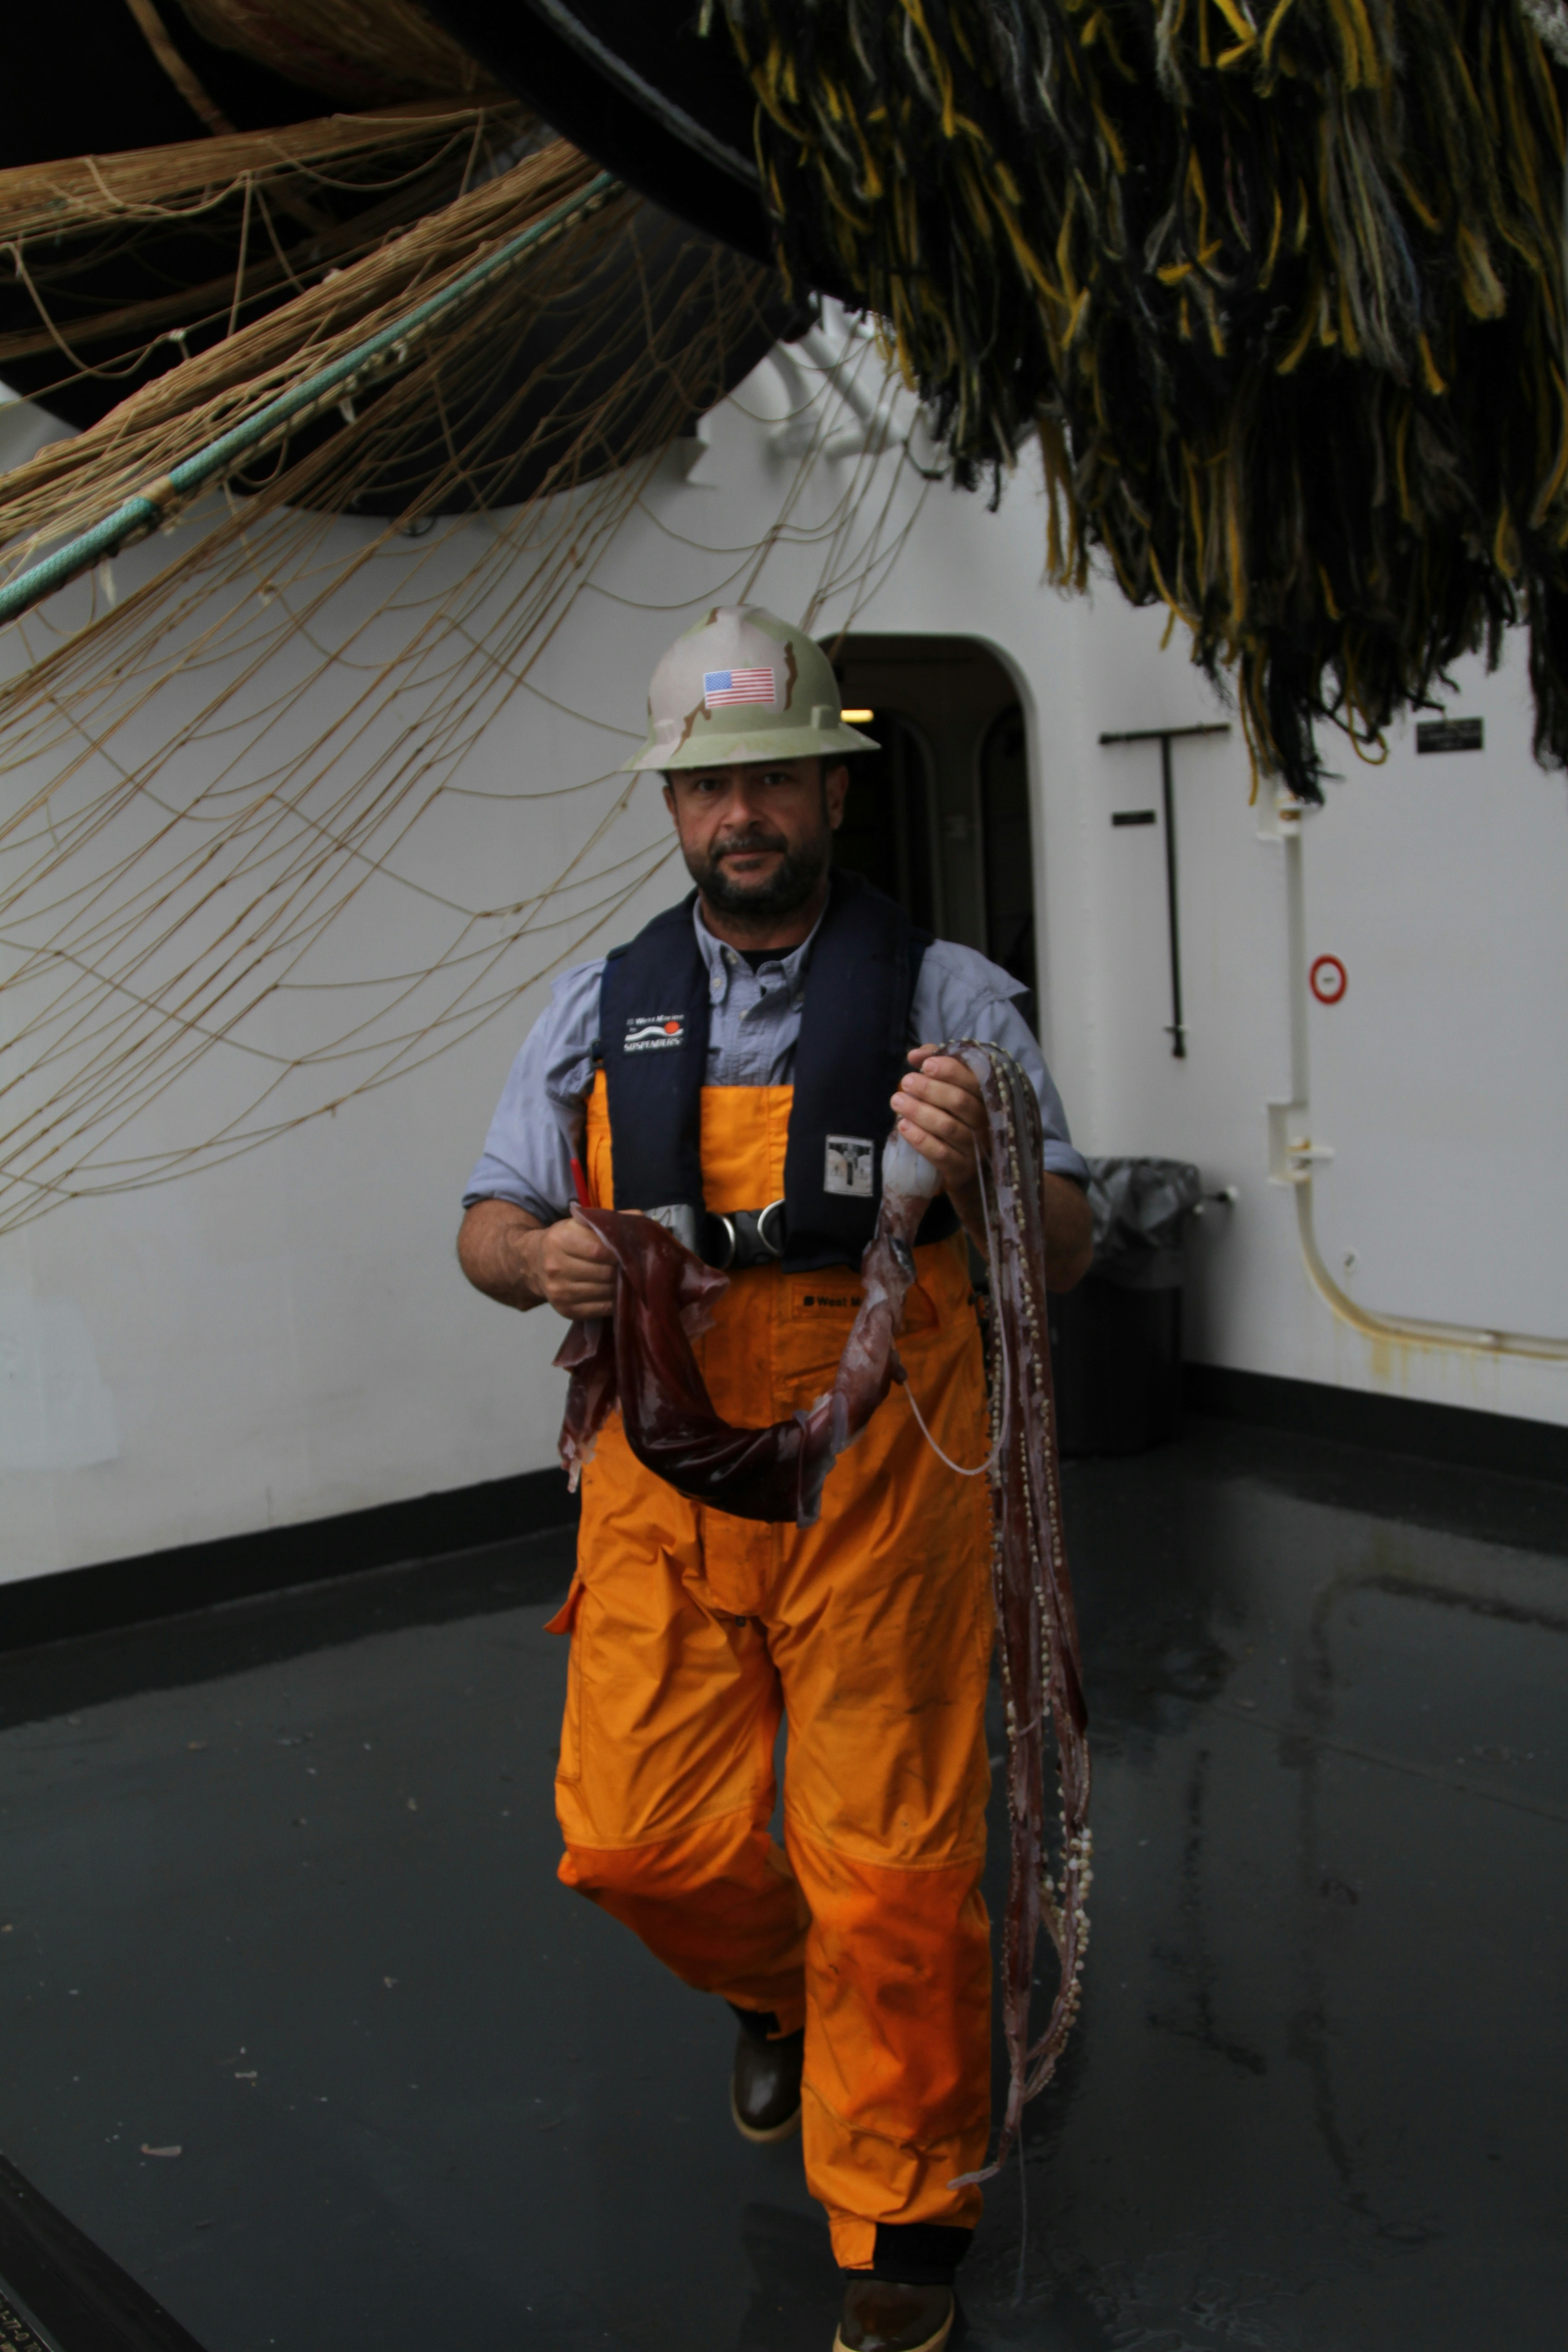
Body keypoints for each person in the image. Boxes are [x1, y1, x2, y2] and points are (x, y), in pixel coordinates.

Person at [458, 606, 1092, 2352]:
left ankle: (899, 2232)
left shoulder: (951, 1002)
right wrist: (535, 1262)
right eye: (708, 787)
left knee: (890, 1867)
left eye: (775, 780)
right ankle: (777, 1989)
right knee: (632, 1843)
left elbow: (1068, 1243)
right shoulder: (594, 1011)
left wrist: (993, 1163)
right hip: (661, 1482)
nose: (742, 814)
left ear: (832, 787)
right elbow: (488, 1223)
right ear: (675, 809)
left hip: (885, 1484)